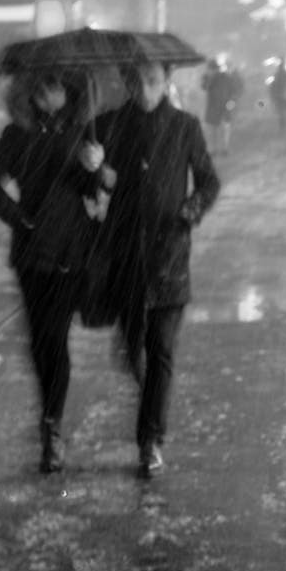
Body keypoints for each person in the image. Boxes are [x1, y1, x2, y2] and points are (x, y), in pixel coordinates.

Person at [83, 61, 220, 478]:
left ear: (166, 82)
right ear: (126, 82)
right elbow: (90, 186)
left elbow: (208, 182)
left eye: (153, 81)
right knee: (135, 348)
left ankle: (150, 439)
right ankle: (149, 407)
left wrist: (189, 210)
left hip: (169, 255)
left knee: (161, 350)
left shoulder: (184, 127)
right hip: (124, 254)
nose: (145, 89)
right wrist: (93, 170)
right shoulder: (107, 126)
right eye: (138, 81)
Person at [0, 71, 113, 474]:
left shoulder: (81, 131)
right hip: (32, 253)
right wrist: (19, 217)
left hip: (72, 249)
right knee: (42, 341)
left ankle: (52, 426)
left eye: (50, 86)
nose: (44, 93)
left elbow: (95, 193)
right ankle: (50, 418)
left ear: (66, 90)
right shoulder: (15, 134)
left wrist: (95, 167)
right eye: (37, 88)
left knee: (55, 338)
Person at [201, 57, 237, 155]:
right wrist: (210, 78)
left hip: (225, 106)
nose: (211, 71)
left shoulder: (226, 77)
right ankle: (213, 149)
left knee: (225, 128)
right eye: (210, 69)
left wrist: (230, 105)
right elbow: (204, 87)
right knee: (212, 129)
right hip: (213, 107)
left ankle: (225, 149)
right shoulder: (207, 78)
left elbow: (233, 92)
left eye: (212, 69)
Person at [269, 58, 286, 131]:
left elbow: (273, 86)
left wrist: (273, 95)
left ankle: (283, 126)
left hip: (280, 95)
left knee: (281, 112)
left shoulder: (276, 75)